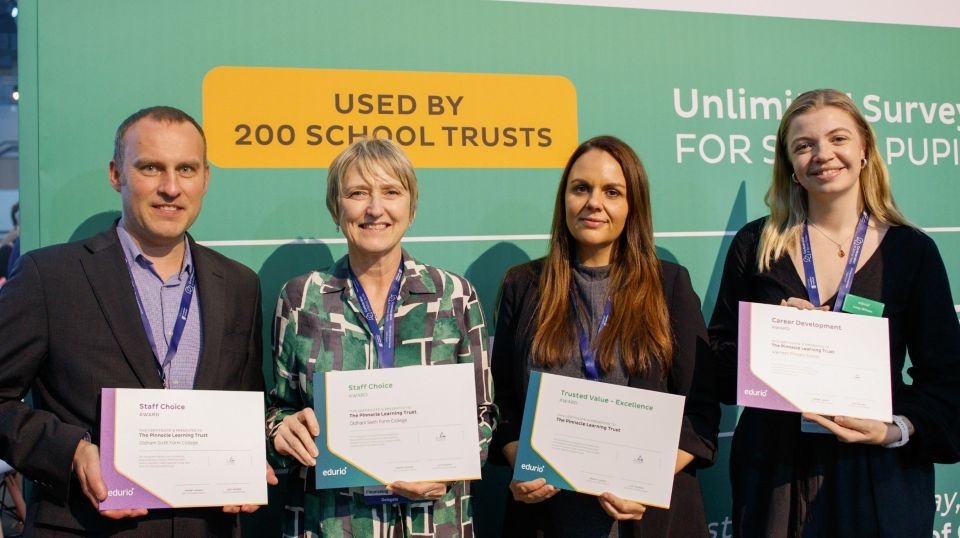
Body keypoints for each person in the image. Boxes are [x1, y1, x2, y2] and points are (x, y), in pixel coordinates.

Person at [0, 106, 270, 536]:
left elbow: (246, 403)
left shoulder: (239, 285)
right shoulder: (48, 278)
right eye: (150, 167)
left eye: (186, 169)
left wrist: (252, 458)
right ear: (116, 174)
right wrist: (71, 452)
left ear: (205, 178)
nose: (170, 187)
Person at [709, 88, 960, 537]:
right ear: (789, 165)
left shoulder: (912, 252)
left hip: (879, 475)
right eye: (803, 146)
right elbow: (719, 366)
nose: (822, 154)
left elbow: (948, 378)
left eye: (838, 139)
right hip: (776, 473)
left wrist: (894, 430)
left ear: (864, 149)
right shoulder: (755, 246)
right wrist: (770, 338)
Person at [265, 138, 496, 537]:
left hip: (435, 521)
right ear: (336, 209)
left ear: (411, 206)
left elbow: (484, 414)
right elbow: (280, 410)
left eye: (391, 192)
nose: (375, 209)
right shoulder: (301, 299)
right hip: (331, 524)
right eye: (357, 193)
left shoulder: (453, 296)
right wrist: (281, 432)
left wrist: (450, 468)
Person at [491, 135, 719, 536]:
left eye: (612, 192)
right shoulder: (524, 285)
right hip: (549, 518)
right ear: (565, 200)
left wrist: (644, 484)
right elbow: (505, 404)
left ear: (633, 207)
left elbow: (699, 413)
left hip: (645, 519)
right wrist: (520, 466)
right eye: (581, 188)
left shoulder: (669, 285)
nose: (594, 202)